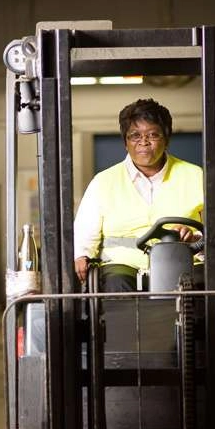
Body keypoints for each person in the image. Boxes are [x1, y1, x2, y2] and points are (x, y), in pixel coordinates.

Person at [74, 98, 203, 291]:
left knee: (203, 282)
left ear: (166, 139)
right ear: (125, 142)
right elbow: (85, 229)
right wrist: (82, 255)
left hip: (183, 260)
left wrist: (195, 238)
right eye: (135, 135)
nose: (144, 142)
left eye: (153, 135)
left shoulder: (196, 176)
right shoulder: (103, 182)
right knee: (116, 284)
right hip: (123, 265)